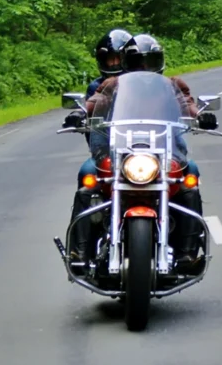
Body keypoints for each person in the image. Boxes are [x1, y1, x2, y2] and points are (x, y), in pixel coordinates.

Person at [66, 34, 210, 269]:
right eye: (137, 62)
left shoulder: (172, 85)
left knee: (190, 175)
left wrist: (201, 115)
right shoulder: (113, 85)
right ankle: (79, 252)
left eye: (149, 62)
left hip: (164, 152)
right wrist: (80, 113)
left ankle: (188, 252)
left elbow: (187, 104)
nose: (143, 68)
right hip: (119, 153)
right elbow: (96, 101)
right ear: (127, 63)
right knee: (88, 175)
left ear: (159, 62)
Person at [86, 28, 132, 99]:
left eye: (120, 58)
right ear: (104, 60)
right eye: (111, 58)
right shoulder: (96, 86)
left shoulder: (138, 83)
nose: (115, 63)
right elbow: (91, 105)